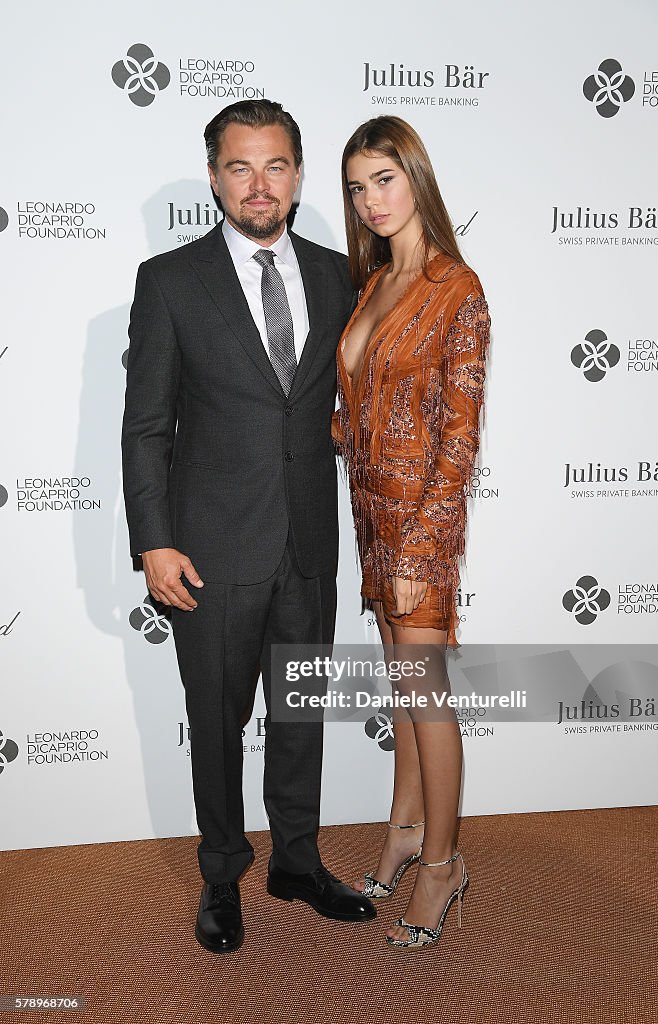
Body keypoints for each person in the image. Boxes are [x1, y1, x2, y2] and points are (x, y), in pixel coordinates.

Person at [121, 99, 375, 954]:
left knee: (299, 714)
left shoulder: (342, 274)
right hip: (209, 548)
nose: (258, 185)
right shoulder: (170, 280)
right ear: (214, 177)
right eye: (240, 167)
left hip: (308, 541)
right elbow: (147, 425)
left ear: (298, 175)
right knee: (218, 719)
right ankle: (222, 874)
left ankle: (296, 861)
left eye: (274, 166)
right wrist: (154, 541)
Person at [332, 116, 491, 949]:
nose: (370, 200)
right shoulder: (372, 285)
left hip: (419, 530)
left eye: (383, 180)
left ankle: (441, 864)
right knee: (405, 693)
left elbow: (459, 439)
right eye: (357, 187)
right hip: (370, 519)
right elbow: (356, 416)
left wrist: (423, 547)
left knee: (427, 698)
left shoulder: (454, 288)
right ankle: (401, 834)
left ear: (416, 178)